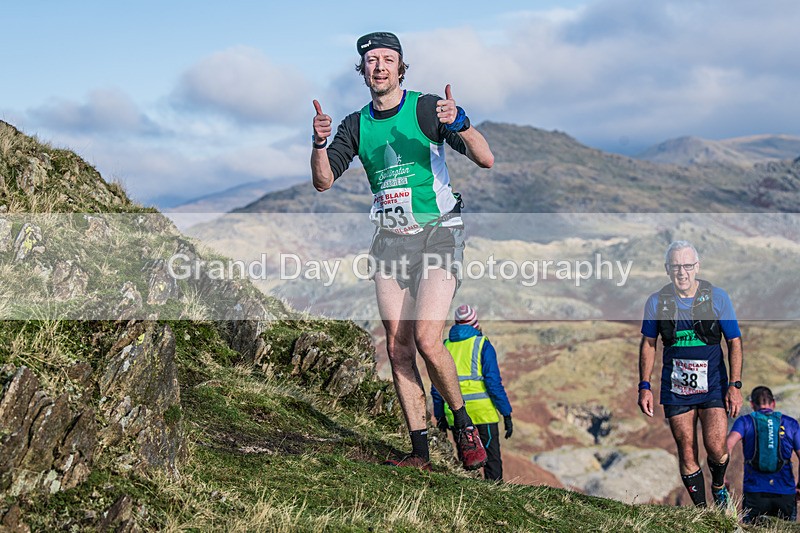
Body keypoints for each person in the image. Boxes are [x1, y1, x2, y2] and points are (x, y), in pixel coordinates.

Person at [311, 31, 494, 471]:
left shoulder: (428, 108)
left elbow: (485, 158)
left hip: (437, 235)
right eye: (371, 60)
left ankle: (465, 426)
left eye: (387, 59)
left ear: (400, 67)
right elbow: (322, 181)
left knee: (429, 338)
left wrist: (463, 122)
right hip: (390, 243)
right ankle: (420, 454)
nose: (379, 66)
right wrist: (319, 144)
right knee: (397, 349)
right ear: (363, 71)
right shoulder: (355, 125)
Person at [637, 240, 743, 507]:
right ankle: (701, 512)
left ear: (697, 267)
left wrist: (735, 385)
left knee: (717, 448)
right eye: (675, 267)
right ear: (667, 269)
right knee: (686, 451)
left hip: (714, 385)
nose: (681, 272)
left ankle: (718, 486)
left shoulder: (717, 297)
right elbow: (649, 344)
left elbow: (734, 342)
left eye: (686, 266)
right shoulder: (657, 302)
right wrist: (644, 386)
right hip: (676, 388)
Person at [431, 305, 513, 481]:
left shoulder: (445, 346)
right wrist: (506, 413)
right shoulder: (482, 344)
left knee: (467, 462)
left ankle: (467, 501)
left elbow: (437, 386)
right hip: (483, 413)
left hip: (455, 414)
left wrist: (440, 417)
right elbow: (493, 383)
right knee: (491, 461)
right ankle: (496, 500)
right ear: (475, 324)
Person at [727, 386, 800, 524]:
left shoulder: (745, 422)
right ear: (773, 403)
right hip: (785, 492)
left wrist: (721, 478)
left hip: (755, 492)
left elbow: (727, 446)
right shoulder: (791, 424)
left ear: (752, 404)